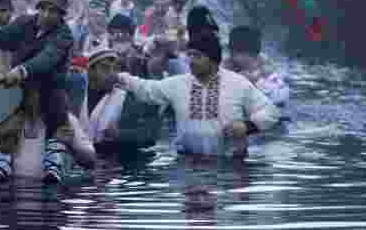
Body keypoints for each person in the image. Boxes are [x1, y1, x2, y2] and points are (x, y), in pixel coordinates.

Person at [114, 30, 279, 158]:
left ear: (213, 59)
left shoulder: (238, 83)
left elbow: (270, 112)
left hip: (229, 166)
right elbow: (147, 89)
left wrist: (246, 126)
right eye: (190, 55)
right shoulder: (178, 83)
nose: (191, 60)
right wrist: (119, 77)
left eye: (197, 56)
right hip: (188, 163)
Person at [0, 0, 77, 183]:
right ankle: (1, 160)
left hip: (49, 87)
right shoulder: (23, 22)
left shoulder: (64, 35)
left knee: (58, 110)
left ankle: (53, 162)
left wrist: (21, 70)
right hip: (18, 87)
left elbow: (48, 58)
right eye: (43, 8)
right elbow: (2, 40)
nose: (46, 14)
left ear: (61, 15)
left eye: (53, 11)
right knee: (5, 114)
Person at [86, 49, 161, 152]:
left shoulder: (125, 98)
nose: (112, 73)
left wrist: (120, 135)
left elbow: (150, 136)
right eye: (105, 68)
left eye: (115, 68)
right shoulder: (79, 94)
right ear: (90, 71)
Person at [224, 26, 289, 108]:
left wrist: (256, 81)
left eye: (250, 55)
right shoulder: (228, 64)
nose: (246, 59)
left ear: (255, 54)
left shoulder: (264, 66)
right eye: (241, 54)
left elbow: (282, 95)